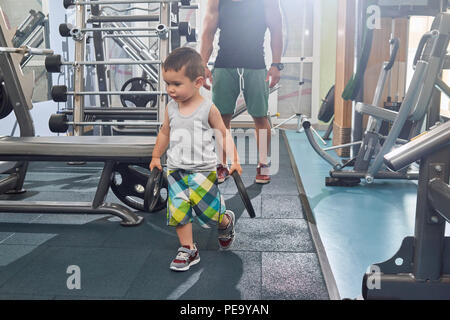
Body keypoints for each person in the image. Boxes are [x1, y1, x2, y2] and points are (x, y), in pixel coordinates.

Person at [150, 47, 243, 272]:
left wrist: (235, 160)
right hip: (175, 170)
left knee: (210, 213)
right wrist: (156, 155)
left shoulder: (207, 109)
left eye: (177, 84)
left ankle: (225, 221)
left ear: (198, 82)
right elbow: (165, 132)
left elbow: (223, 133)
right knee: (179, 211)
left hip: (203, 170)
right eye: (167, 84)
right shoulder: (171, 107)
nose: (170, 90)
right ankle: (188, 249)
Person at [200, 0, 283, 184]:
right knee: (221, 119)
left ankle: (263, 162)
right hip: (224, 65)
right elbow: (208, 30)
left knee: (260, 117)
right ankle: (221, 164)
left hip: (255, 65)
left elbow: (277, 28)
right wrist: (203, 63)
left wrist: (276, 64)